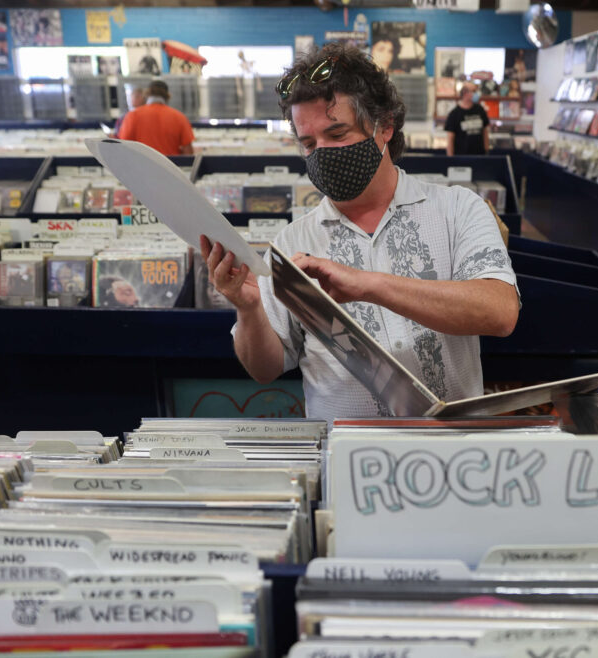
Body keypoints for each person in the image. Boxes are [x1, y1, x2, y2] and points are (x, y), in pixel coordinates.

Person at [200, 42, 518, 421]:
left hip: (452, 452)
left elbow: (499, 312)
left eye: (337, 135)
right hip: (345, 458)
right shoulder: (292, 243)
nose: (321, 153)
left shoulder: (457, 209)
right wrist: (248, 308)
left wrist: (366, 285)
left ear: (384, 127)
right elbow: (264, 368)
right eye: (308, 143)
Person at [118, 80, 194, 156]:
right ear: (167, 96)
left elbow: (124, 146)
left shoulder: (132, 115)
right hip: (170, 166)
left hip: (141, 166)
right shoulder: (180, 117)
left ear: (147, 94)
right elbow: (188, 152)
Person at [444, 81, 490, 156]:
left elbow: (485, 132)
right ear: (465, 93)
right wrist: (451, 159)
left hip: (479, 156)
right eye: (474, 91)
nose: (477, 94)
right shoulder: (454, 114)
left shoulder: (480, 110)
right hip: (461, 157)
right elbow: (450, 139)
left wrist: (487, 151)